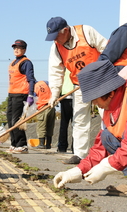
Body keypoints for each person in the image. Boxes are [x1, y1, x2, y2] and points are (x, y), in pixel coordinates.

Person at [53, 60, 127, 189]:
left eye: (95, 99)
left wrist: (107, 166)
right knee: (107, 136)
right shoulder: (111, 108)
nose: (94, 104)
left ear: (109, 93)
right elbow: (100, 148)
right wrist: (78, 171)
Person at [45, 16, 107, 164]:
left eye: (56, 36)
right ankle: (80, 155)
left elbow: (106, 49)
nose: (55, 40)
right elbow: (55, 72)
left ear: (65, 30)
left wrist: (101, 69)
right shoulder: (56, 48)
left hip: (100, 79)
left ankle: (113, 152)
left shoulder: (86, 31)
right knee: (79, 119)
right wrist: (54, 94)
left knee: (107, 115)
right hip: (79, 85)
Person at [7, 40, 36, 154]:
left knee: (17, 120)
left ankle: (22, 144)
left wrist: (31, 94)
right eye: (14, 47)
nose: (16, 49)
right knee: (10, 120)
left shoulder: (26, 62)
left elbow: (31, 79)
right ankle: (14, 143)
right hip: (12, 94)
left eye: (19, 47)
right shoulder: (14, 62)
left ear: (24, 49)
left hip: (21, 94)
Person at [33, 80, 56, 149]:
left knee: (41, 126)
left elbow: (33, 99)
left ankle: (41, 144)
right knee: (50, 125)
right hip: (51, 106)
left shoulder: (33, 88)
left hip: (42, 107)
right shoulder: (45, 82)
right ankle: (48, 144)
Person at [57, 70, 74, 153]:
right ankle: (74, 147)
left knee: (64, 124)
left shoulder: (65, 67)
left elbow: (59, 80)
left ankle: (62, 146)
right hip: (68, 96)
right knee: (75, 124)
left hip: (69, 95)